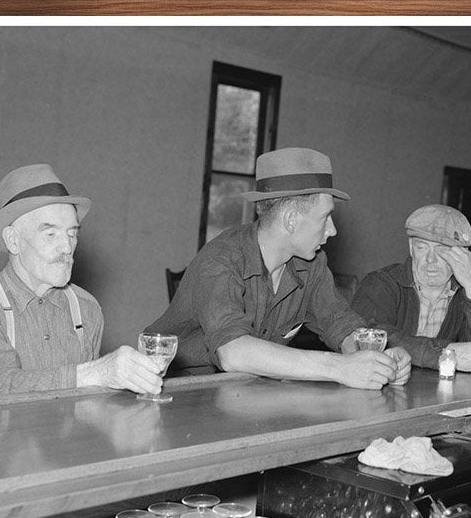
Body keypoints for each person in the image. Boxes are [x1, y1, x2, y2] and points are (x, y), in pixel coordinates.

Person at [145, 148, 410, 390]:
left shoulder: (311, 263)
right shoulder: (220, 261)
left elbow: (339, 323)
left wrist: (374, 358)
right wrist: (339, 367)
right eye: (324, 217)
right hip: (180, 395)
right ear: (291, 220)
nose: (332, 230)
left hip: (246, 392)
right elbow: (233, 352)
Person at [0, 163, 164, 399]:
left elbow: (87, 401)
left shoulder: (86, 307)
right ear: (13, 240)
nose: (67, 247)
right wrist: (94, 373)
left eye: (72, 233)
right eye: (50, 234)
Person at [352, 204, 471, 373]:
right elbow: (371, 337)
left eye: (442, 250)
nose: (431, 259)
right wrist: (446, 354)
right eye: (422, 247)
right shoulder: (381, 283)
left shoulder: (465, 293)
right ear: (411, 247)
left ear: (462, 255)